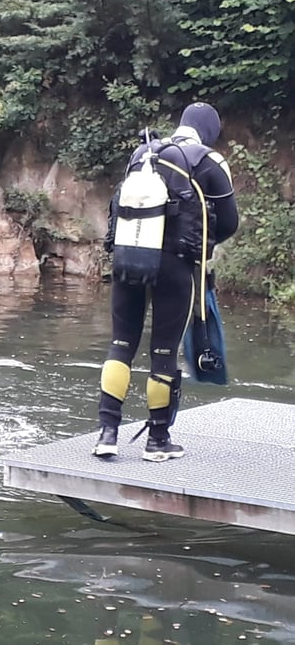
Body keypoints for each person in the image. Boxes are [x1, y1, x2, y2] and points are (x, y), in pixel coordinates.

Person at [94, 102, 238, 461]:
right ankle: (158, 442)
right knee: (163, 352)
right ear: (209, 131)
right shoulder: (209, 160)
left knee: (120, 344)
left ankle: (107, 434)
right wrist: (201, 240)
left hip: (129, 257)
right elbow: (229, 223)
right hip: (176, 266)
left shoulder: (144, 153)